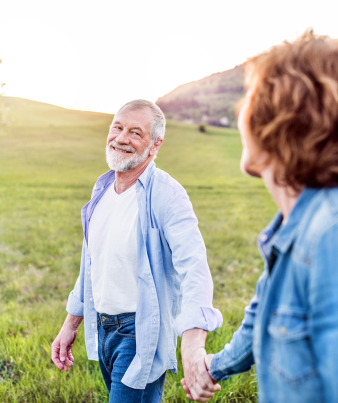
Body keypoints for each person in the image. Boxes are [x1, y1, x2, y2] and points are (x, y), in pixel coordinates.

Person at [182, 32, 338, 402]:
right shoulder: (300, 224)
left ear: (282, 117)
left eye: (251, 96)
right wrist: (213, 367)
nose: (241, 110)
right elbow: (264, 322)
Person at [51, 100, 223, 402]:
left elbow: (194, 267)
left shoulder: (167, 195)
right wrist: (70, 325)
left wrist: (193, 344)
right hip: (103, 328)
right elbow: (92, 264)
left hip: (139, 331)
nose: (121, 138)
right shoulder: (101, 191)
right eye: (117, 127)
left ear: (155, 146)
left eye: (135, 132)